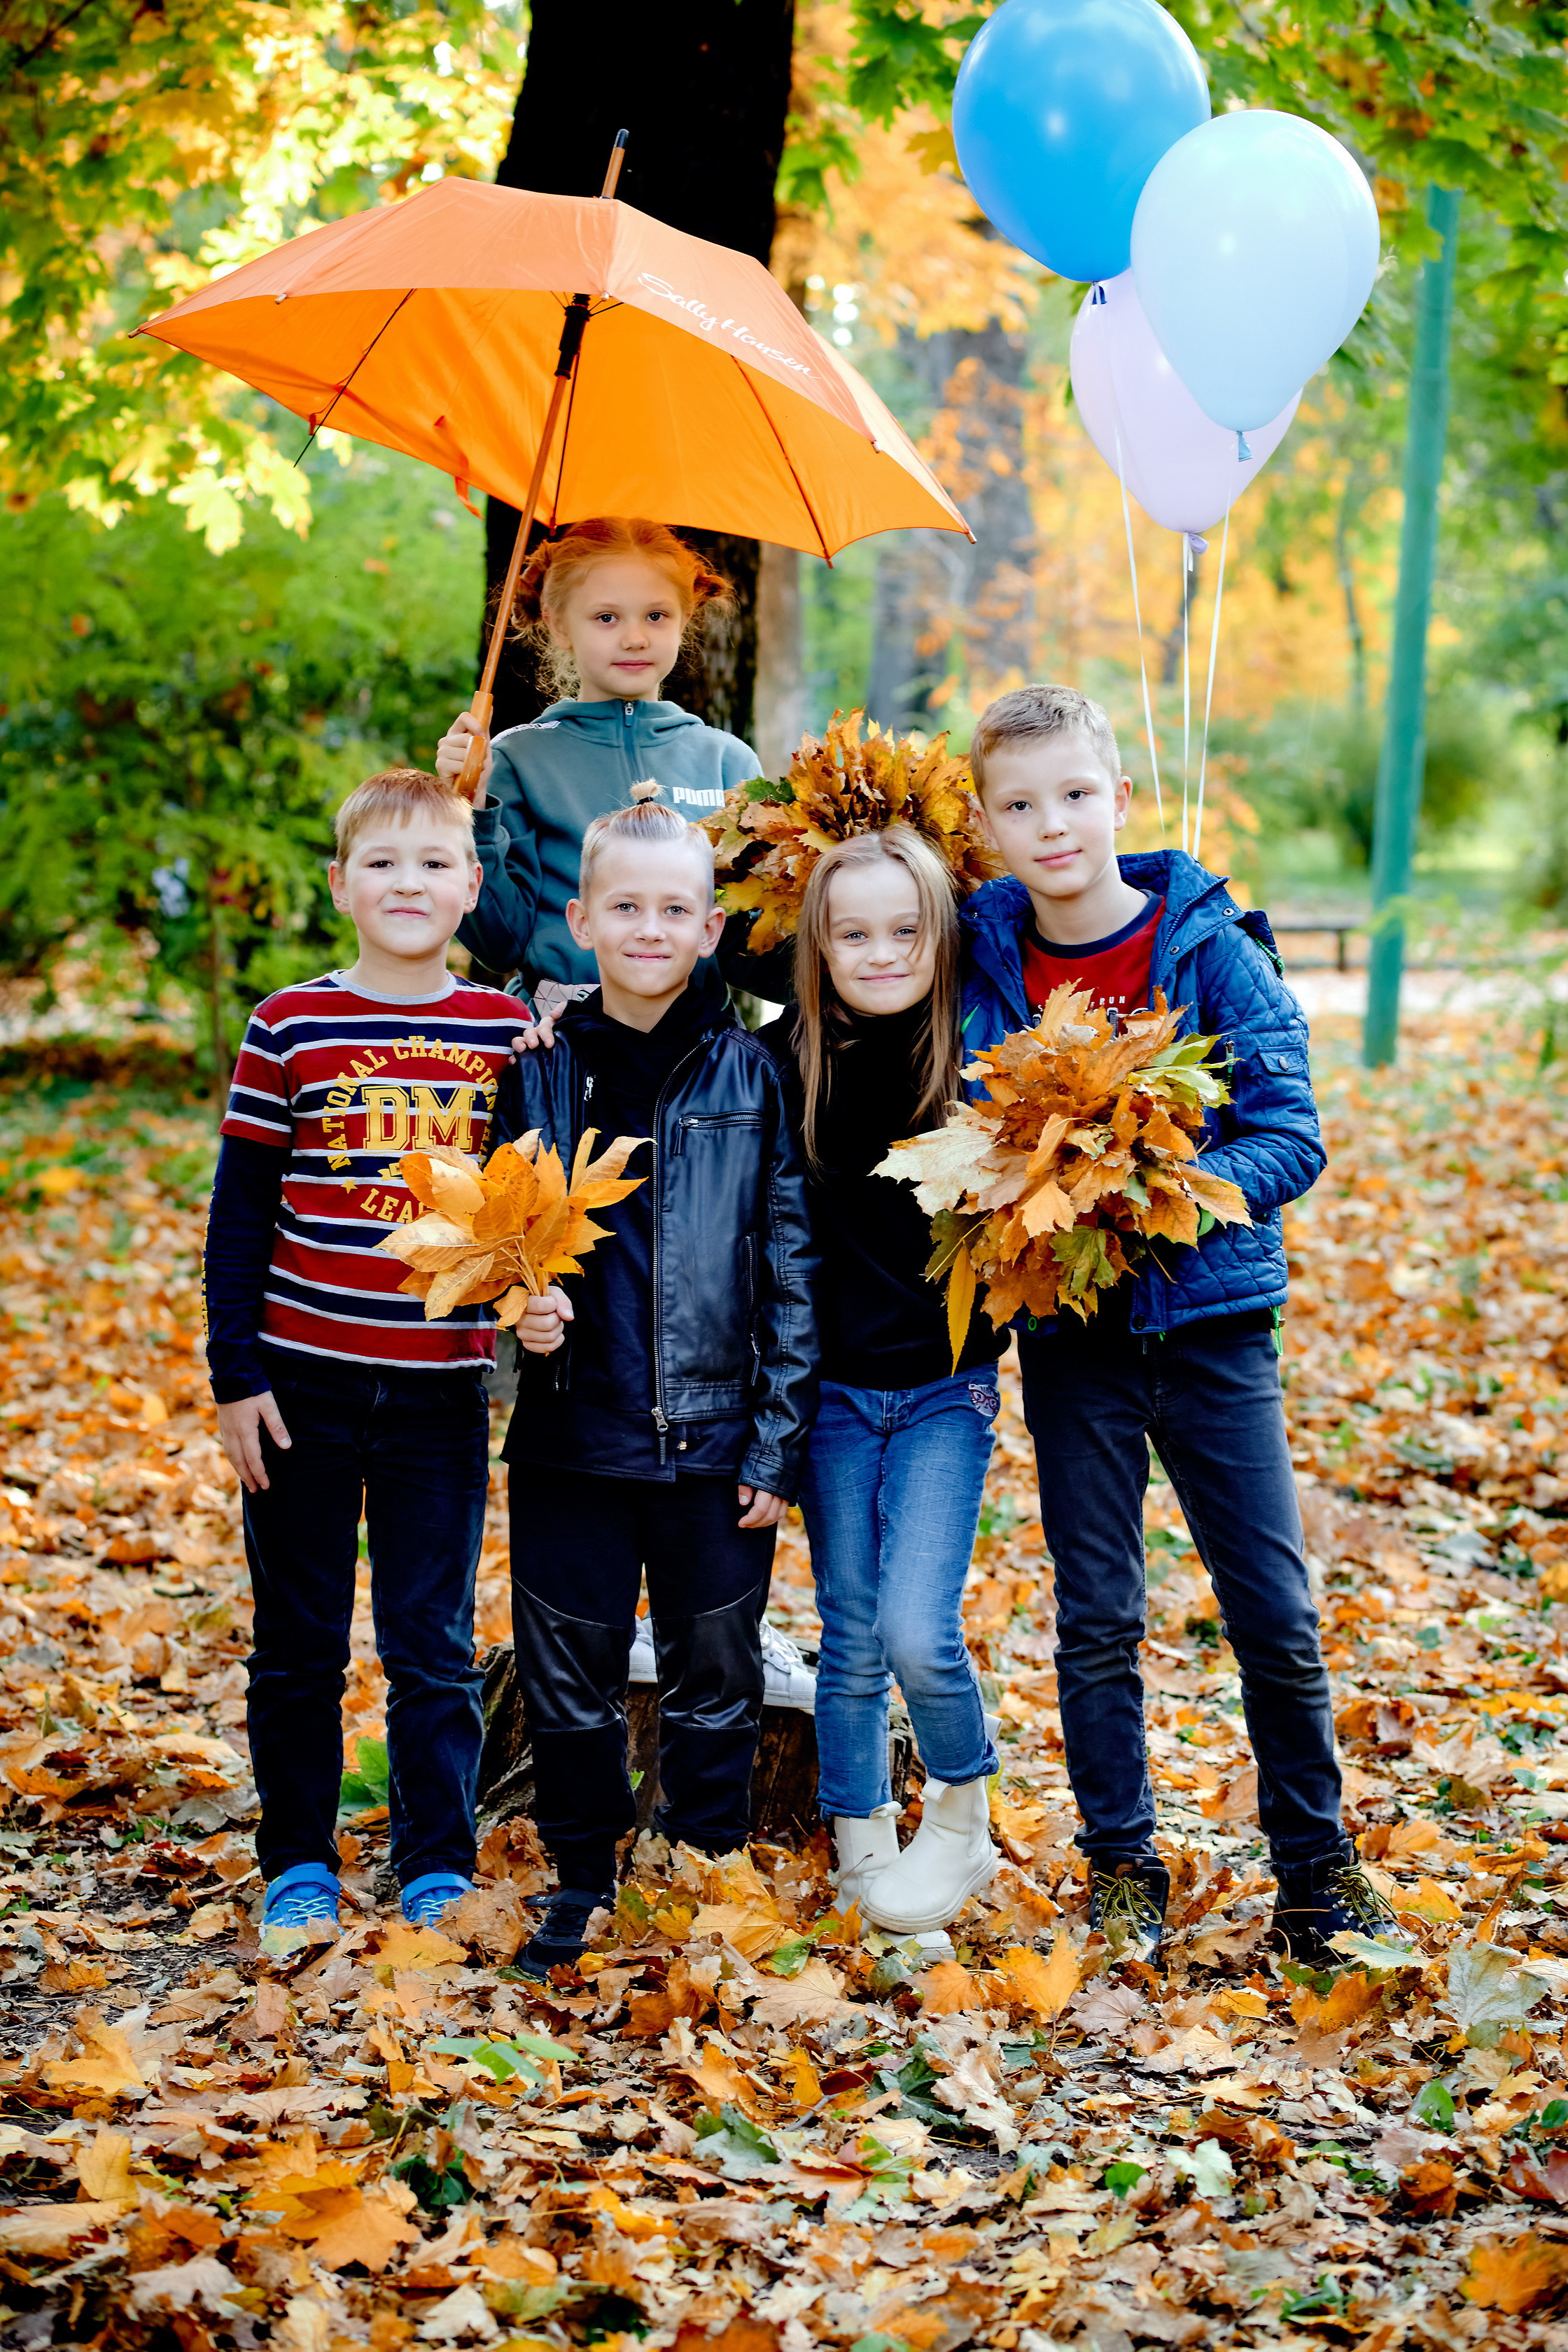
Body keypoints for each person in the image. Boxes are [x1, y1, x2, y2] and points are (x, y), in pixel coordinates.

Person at [959, 682, 1391, 1966]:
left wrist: (1179, 1199)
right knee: (1098, 1613)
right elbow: (822, 954)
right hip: (1073, 1331)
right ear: (984, 825)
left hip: (1211, 1326)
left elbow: (1291, 1131)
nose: (1054, 826)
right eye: (1022, 805)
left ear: (1121, 801)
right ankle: (1122, 1866)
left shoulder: (1207, 945)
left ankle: (1317, 1872)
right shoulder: (980, 949)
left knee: (1272, 1607)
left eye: (1077, 796)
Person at [492, 798, 818, 1977]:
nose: (647, 927)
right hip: (573, 1435)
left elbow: (790, 1263)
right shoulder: (537, 1070)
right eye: (623, 906)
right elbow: (497, 1238)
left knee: (716, 1678)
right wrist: (514, 1307)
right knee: (567, 1678)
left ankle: (701, 1869)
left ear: (710, 925)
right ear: (580, 919)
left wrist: (778, 1447)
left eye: (673, 908)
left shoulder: (753, 1073)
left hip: (717, 1441)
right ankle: (583, 1874)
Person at [204, 770, 522, 1935]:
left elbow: (527, 1212)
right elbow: (241, 1214)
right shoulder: (290, 1023)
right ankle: (297, 1859)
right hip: (300, 1382)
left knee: (431, 1642)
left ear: (470, 887)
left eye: (436, 862)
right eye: (382, 864)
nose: (409, 883)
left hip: (441, 1390)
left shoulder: (504, 1034)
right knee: (297, 1640)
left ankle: (436, 1859)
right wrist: (234, 1375)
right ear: (341, 884)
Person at [759, 829, 1004, 1937]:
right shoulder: (786, 1061)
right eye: (852, 932)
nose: (881, 951)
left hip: (947, 1391)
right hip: (834, 1399)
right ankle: (862, 1853)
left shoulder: (978, 1053)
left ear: (941, 931)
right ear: (815, 942)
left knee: (917, 1627)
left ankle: (962, 1815)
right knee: (850, 1637)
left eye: (905, 929)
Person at [434, 516, 764, 1009]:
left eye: (656, 616)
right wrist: (468, 812)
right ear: (558, 622)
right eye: (607, 617)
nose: (635, 637)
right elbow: (499, 942)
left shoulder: (727, 761)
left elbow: (757, 960)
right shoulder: (516, 759)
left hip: (698, 1049)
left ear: (686, 616)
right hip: (560, 1044)